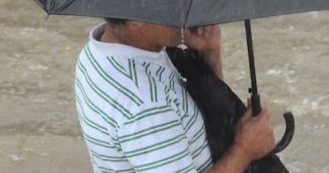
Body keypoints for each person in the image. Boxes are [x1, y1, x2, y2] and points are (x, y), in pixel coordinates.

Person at [75, 18, 275, 173]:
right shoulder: (146, 105)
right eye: (169, 4)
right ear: (136, 19)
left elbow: (190, 121)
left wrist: (209, 54)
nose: (183, 12)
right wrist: (244, 149)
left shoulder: (97, 52)